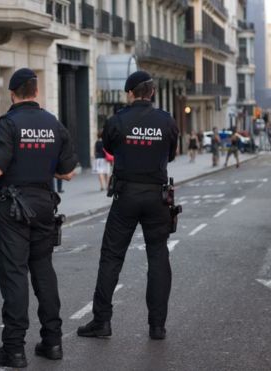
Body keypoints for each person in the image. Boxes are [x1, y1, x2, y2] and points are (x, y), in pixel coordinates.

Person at [0, 68, 78, 368]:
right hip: (45, 205)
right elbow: (68, 172)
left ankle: (14, 348)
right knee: (44, 272)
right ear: (36, 92)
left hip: (14, 207)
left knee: (14, 275)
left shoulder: (8, 123)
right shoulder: (53, 124)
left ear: (13, 94)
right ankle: (53, 342)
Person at [77, 70, 178, 342]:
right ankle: (157, 326)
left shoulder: (117, 121)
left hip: (126, 195)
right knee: (158, 256)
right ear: (153, 92)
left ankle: (102, 322)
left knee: (111, 256)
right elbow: (171, 154)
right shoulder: (166, 121)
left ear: (130, 93)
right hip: (157, 196)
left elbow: (109, 148)